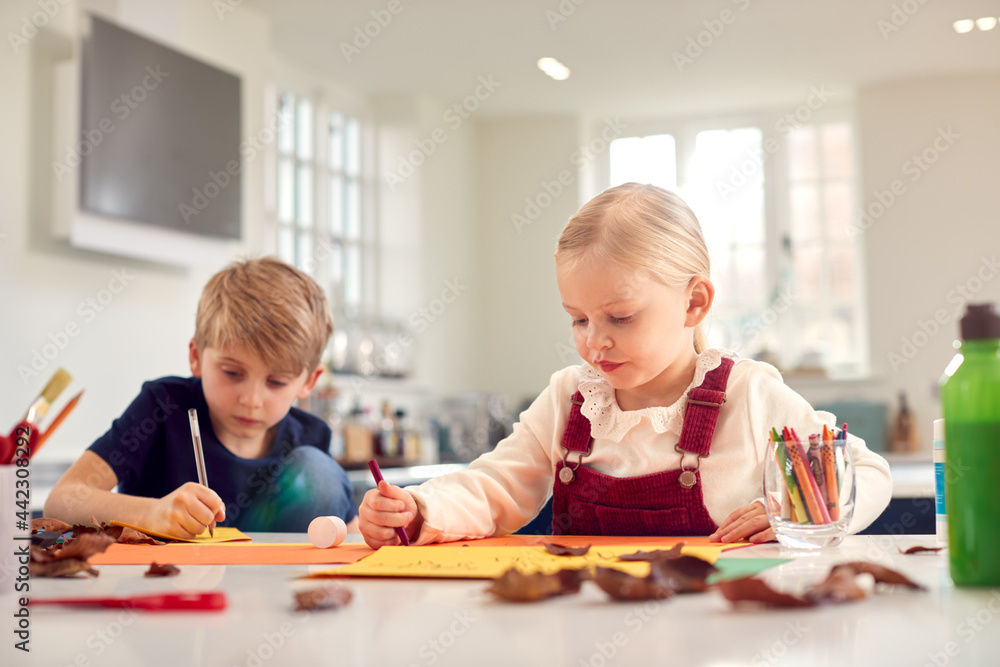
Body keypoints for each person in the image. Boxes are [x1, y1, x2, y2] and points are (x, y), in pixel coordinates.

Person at [360, 183, 891, 547]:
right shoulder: (570, 399)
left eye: (620, 317)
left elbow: (867, 472)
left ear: (694, 303)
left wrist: (806, 511)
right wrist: (418, 509)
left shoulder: (750, 397)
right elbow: (494, 487)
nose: (595, 343)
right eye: (578, 320)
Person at [46, 257, 358, 537]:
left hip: (266, 593)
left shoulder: (309, 437)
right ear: (196, 357)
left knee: (320, 473)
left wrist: (386, 523)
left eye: (276, 382)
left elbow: (348, 532)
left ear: (309, 381)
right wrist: (151, 513)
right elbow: (62, 501)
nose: (251, 399)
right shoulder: (162, 406)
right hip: (168, 587)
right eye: (232, 373)